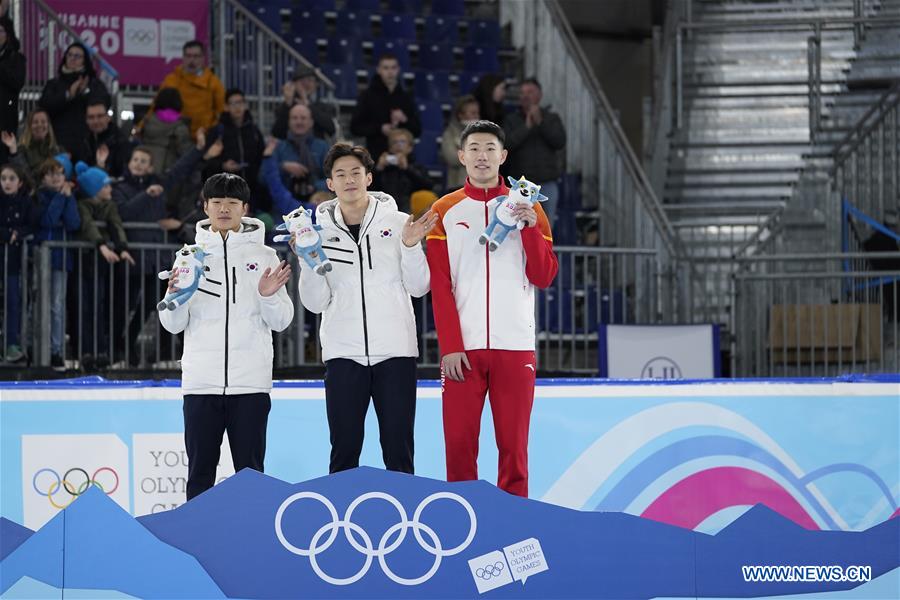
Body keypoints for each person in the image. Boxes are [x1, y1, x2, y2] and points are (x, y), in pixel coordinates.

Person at [426, 120, 558, 497]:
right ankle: (461, 521)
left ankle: (514, 522)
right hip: (463, 351)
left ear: (503, 156)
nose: (482, 156)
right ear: (461, 156)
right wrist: (451, 346)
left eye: (490, 149)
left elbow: (543, 276)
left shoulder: (529, 206)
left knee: (514, 450)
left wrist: (529, 228)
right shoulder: (444, 210)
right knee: (459, 449)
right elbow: (440, 285)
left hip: (514, 347)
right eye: (474, 148)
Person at [297, 143, 436, 475]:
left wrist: (411, 246)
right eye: (340, 174)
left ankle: (404, 510)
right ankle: (341, 511)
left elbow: (419, 287)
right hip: (343, 355)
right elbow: (315, 303)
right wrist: (308, 260)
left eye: (355, 173)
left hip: (396, 352)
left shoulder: (400, 223)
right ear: (329, 183)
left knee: (399, 452)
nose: (349, 180)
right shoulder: (316, 235)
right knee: (343, 453)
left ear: (369, 178)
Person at [159, 173, 293, 500]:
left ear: (244, 208)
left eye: (232, 202)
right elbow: (172, 325)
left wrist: (267, 297)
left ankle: (253, 531)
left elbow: (281, 320)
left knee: (251, 475)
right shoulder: (188, 256)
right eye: (217, 202)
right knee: (199, 475)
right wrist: (175, 297)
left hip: (251, 384)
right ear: (205, 206)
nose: (223, 209)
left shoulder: (264, 256)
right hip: (201, 383)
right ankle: (196, 533)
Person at [34, 157, 81, 368]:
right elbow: (48, 220)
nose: (56, 177)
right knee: (37, 305)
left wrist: (67, 199)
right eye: (51, 173)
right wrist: (61, 198)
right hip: (39, 260)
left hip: (61, 260)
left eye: (60, 173)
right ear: (43, 177)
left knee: (57, 306)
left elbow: (74, 223)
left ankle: (56, 351)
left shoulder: (68, 197)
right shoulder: (38, 197)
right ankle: (35, 349)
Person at [503, 78, 567, 226]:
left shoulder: (551, 118)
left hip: (546, 183)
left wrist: (541, 123)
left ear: (539, 95)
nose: (525, 96)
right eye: (522, 93)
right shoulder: (511, 120)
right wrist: (526, 127)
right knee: (518, 227)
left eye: (530, 92)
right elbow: (506, 145)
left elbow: (559, 142)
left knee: (545, 228)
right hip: (521, 186)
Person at [38, 42, 111, 160]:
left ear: (84, 60)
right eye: (70, 55)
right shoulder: (54, 83)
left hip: (87, 142)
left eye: (77, 56)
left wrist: (84, 92)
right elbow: (44, 105)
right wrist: (68, 94)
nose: (72, 58)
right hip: (58, 141)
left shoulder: (93, 83)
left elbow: (104, 103)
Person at [206, 89, 268, 214]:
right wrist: (223, 165)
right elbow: (207, 162)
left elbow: (260, 157)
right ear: (226, 107)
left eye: (240, 102)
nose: (237, 107)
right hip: (225, 191)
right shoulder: (218, 132)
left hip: (252, 190)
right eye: (233, 103)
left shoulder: (254, 131)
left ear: (245, 105)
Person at [350, 54, 421, 161]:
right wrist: (380, 128)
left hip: (403, 159)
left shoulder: (406, 97)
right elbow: (355, 127)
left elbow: (417, 131)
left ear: (398, 69)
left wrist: (404, 120)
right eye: (386, 68)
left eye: (393, 68)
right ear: (379, 70)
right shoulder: (367, 96)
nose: (390, 72)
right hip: (375, 156)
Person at [0, 162, 35, 362]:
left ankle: (11, 344)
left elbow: (33, 224)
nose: (7, 182)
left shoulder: (26, 203)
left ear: (20, 182)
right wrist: (7, 234)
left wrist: (18, 233)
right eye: (3, 178)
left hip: (14, 263)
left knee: (13, 302)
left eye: (11, 179)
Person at [159, 40, 225, 139]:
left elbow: (221, 112)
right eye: (188, 56)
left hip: (204, 137)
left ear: (203, 58)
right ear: (183, 57)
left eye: (196, 56)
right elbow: (156, 107)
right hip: (174, 137)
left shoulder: (213, 83)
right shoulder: (171, 80)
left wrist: (210, 132)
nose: (192, 60)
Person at [270, 104, 328, 205]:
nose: (299, 122)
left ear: (311, 122)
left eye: (303, 118)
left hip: (316, 204)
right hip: (284, 204)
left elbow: (334, 178)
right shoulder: (278, 147)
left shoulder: (322, 147)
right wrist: (283, 167)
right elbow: (264, 177)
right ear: (289, 122)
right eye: (295, 118)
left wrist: (314, 186)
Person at [372, 128, 434, 215]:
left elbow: (428, 186)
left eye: (402, 142)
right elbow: (369, 189)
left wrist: (407, 168)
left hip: (410, 209)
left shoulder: (416, 167)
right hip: (385, 207)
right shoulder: (383, 167)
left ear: (410, 147)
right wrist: (378, 169)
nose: (398, 145)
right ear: (390, 147)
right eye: (395, 142)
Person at [137, 87, 194, 176]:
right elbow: (187, 154)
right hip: (167, 173)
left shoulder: (147, 121)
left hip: (144, 169)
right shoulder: (180, 127)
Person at [271, 66, 336, 141]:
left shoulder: (323, 107)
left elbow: (331, 129)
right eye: (302, 81)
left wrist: (307, 104)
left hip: (316, 147)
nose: (306, 84)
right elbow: (277, 133)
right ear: (294, 84)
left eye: (310, 80)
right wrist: (287, 104)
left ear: (316, 85)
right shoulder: (284, 107)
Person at [76, 100, 133, 178]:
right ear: (86, 120)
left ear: (108, 117)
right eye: (91, 117)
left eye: (100, 116)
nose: (96, 121)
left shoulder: (120, 142)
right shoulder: (83, 140)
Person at [0, 16, 25, 167]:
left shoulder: (16, 58)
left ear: (8, 34)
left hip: (5, 117)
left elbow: (17, 82)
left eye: (0, 31)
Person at [441, 95, 480, 190]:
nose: (477, 116)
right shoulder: (450, 133)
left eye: (477, 113)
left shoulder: (484, 133)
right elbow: (452, 158)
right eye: (473, 113)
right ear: (460, 115)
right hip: (458, 185)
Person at [18, 110, 62, 179]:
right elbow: (25, 176)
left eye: (43, 122)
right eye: (35, 122)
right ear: (29, 126)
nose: (40, 125)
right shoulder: (21, 149)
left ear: (48, 125)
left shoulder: (57, 149)